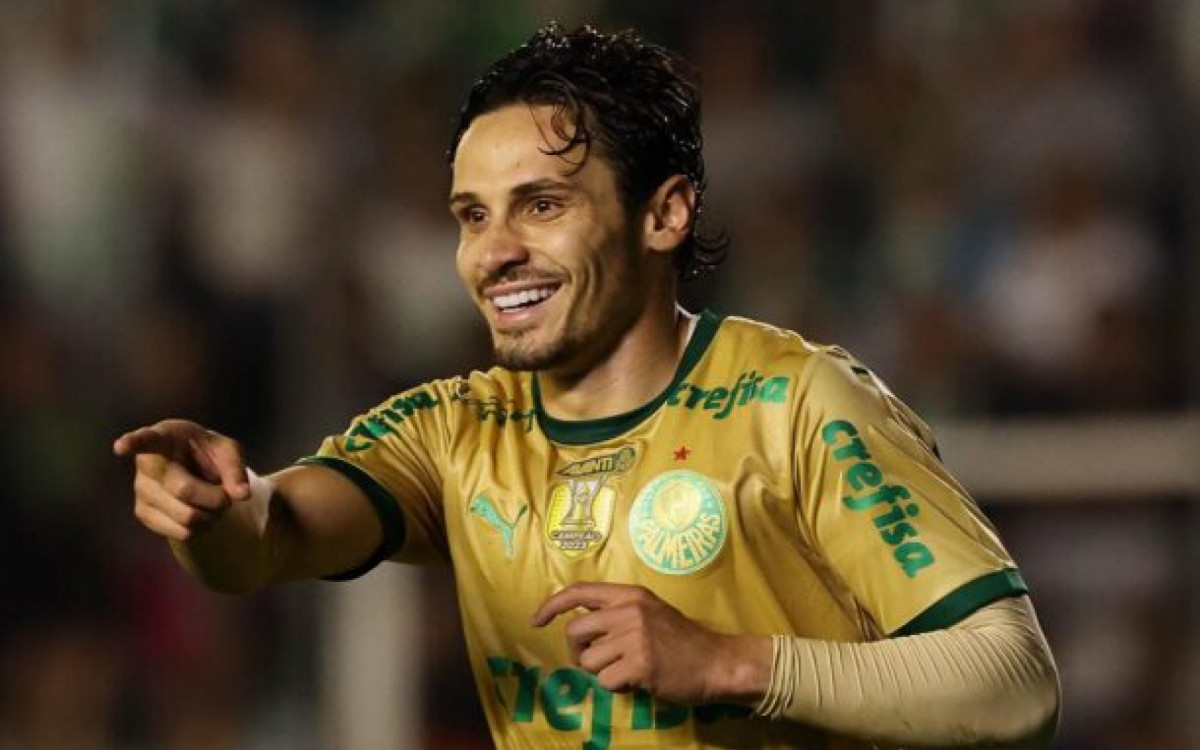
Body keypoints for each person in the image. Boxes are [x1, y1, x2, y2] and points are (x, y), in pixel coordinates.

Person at [114, 23, 1060, 750]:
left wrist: (731, 663)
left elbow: (1012, 681)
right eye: (471, 216)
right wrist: (211, 514)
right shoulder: (452, 431)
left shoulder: (797, 404)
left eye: (543, 205)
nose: (494, 253)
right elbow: (266, 539)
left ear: (665, 212)